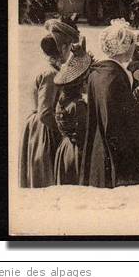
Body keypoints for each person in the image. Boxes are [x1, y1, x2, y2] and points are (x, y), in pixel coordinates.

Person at [80, 20, 139, 187]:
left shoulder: (97, 72)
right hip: (117, 153)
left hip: (99, 147)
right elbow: (123, 118)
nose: (134, 48)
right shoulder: (114, 76)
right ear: (124, 46)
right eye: (131, 44)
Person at [19, 18, 78, 188]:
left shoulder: (46, 67)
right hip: (44, 129)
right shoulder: (51, 74)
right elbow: (45, 112)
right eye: (69, 47)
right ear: (63, 48)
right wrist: (65, 132)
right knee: (46, 177)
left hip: (38, 126)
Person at [53, 41, 91, 186]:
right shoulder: (78, 105)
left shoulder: (62, 101)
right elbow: (82, 134)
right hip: (77, 152)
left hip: (64, 148)